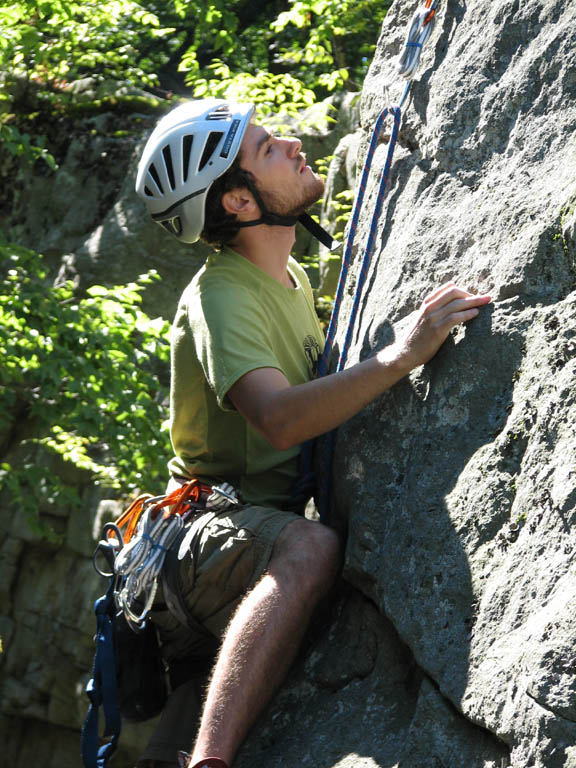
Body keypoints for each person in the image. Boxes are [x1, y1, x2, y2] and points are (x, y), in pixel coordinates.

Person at [134, 99, 491, 768]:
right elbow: (280, 416)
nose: (294, 143)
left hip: (238, 534)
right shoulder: (223, 297)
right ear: (239, 202)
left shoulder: (288, 275)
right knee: (311, 549)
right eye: (269, 149)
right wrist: (402, 355)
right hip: (208, 532)